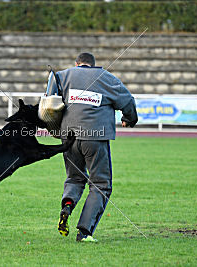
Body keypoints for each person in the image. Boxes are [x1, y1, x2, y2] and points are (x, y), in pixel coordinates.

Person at [49, 52, 138, 242]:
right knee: (100, 184)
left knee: (74, 177)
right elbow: (128, 101)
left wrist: (57, 131)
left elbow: (49, 104)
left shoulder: (61, 76)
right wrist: (129, 119)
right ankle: (84, 232)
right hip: (95, 137)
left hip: (68, 138)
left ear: (76, 64)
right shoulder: (106, 77)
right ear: (93, 64)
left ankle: (67, 205)